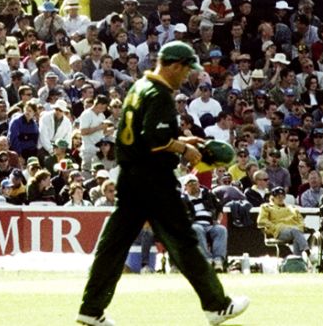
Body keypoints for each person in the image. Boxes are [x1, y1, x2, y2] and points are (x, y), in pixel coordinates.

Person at [77, 41, 248, 326]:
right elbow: (156, 140)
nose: (188, 76)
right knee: (184, 241)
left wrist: (182, 141)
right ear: (174, 65)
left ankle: (91, 309)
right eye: (186, 70)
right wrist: (184, 150)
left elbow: (133, 136)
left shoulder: (138, 88)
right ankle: (217, 305)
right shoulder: (160, 94)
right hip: (153, 180)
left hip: (131, 178)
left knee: (113, 245)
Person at [181, 174, 228, 270]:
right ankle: (207, 259)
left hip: (210, 224)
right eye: (190, 185)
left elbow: (219, 209)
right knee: (196, 228)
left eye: (195, 183)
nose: (193, 186)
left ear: (199, 184)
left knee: (221, 229)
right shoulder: (182, 199)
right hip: (194, 224)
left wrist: (218, 221)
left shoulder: (208, 194)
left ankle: (218, 260)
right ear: (185, 187)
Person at [257, 186, 309, 256]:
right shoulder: (267, 207)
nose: (280, 198)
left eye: (282, 196)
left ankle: (297, 259)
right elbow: (262, 220)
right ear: (273, 197)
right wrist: (274, 227)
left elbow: (300, 220)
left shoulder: (292, 208)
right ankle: (306, 250)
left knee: (297, 235)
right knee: (296, 232)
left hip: (295, 230)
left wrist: (300, 227)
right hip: (279, 230)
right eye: (278, 196)